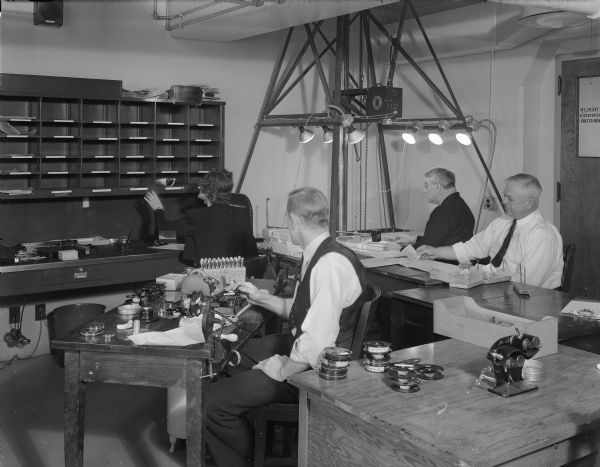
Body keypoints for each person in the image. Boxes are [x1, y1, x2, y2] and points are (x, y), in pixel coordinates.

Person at [204, 187, 367, 466]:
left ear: (293, 220)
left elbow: (317, 341)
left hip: (319, 370)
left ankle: (240, 456)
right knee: (231, 360)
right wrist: (263, 298)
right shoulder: (319, 252)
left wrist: (282, 368)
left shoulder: (329, 264)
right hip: (308, 351)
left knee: (211, 402)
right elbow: (305, 312)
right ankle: (251, 439)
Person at [416, 173, 563, 289]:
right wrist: (436, 252)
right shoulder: (502, 222)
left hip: (530, 301)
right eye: (504, 195)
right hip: (499, 291)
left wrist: (481, 275)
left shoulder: (542, 235)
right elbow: (474, 247)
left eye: (509, 198)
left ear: (529, 203)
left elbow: (528, 283)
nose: (503, 201)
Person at [143, 168, 258, 266]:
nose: (198, 187)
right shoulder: (242, 214)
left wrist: (158, 209)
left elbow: (164, 233)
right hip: (235, 277)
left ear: (210, 190)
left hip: (207, 277)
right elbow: (252, 254)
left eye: (202, 185)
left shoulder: (196, 216)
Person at [394, 167, 474, 248]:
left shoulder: (443, 212)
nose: (424, 190)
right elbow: (440, 240)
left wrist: (399, 249)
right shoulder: (462, 206)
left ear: (437, 187)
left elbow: (426, 249)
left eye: (426, 186)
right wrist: (413, 239)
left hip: (440, 261)